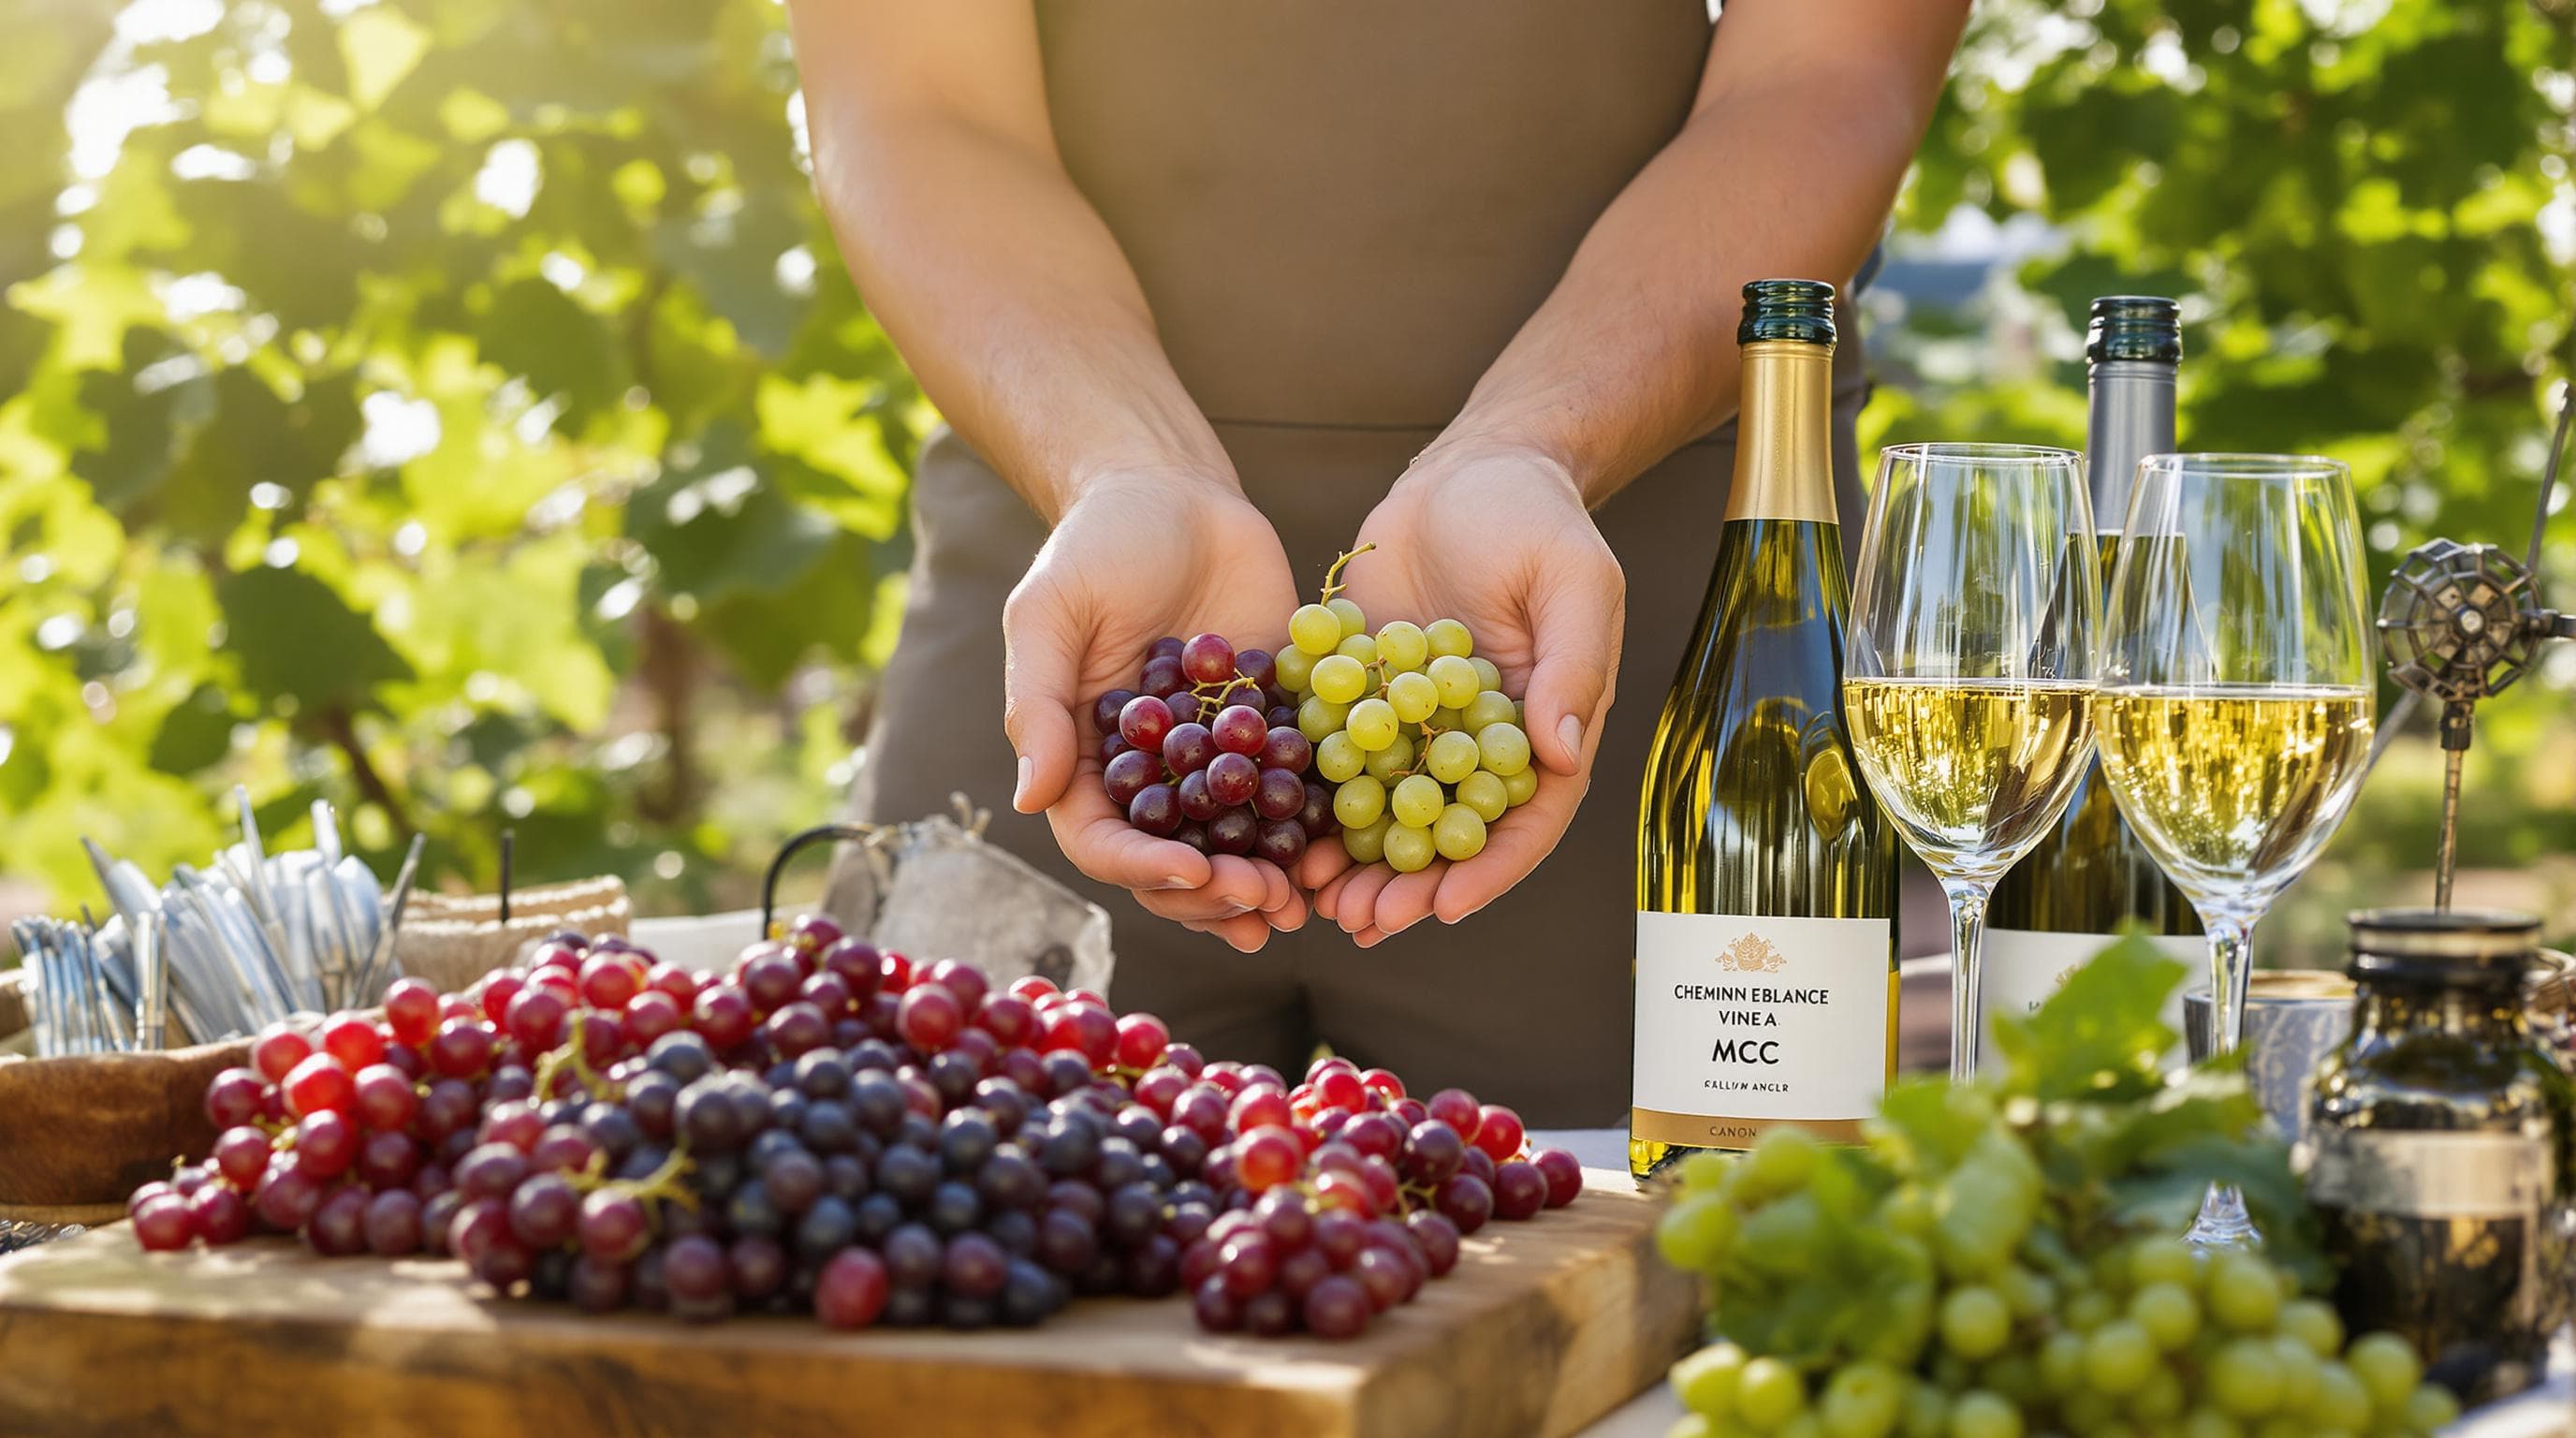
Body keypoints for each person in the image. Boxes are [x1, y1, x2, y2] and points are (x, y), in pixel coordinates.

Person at [790, 0, 1968, 1125]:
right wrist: (1118, 467)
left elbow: (1827, 73)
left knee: (1687, 1270)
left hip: (1618, 600)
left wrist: (1532, 445)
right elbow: (914, 101)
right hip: (1089, 585)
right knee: (932, 1211)